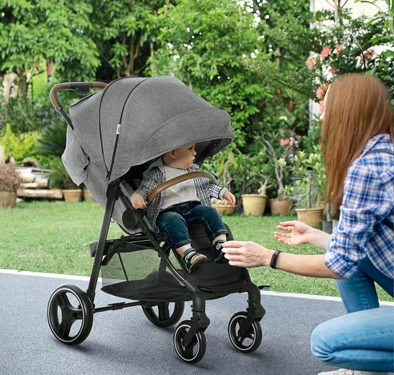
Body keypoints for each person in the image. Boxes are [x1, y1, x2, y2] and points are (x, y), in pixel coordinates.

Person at [222, 74, 394, 375]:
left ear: (348, 113)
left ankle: (369, 365)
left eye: (327, 109)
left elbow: (338, 264)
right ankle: (365, 370)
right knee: (348, 257)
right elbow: (355, 248)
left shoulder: (367, 169)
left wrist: (268, 257)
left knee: (326, 343)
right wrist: (315, 236)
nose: (324, 117)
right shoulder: (383, 153)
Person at [131, 143, 236, 274]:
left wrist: (223, 192)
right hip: (167, 212)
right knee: (173, 220)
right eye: (190, 149)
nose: (195, 153)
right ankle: (188, 255)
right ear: (173, 153)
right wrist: (138, 196)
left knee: (209, 211)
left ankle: (221, 245)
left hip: (193, 208)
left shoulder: (193, 170)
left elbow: (207, 185)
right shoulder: (156, 173)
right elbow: (145, 189)